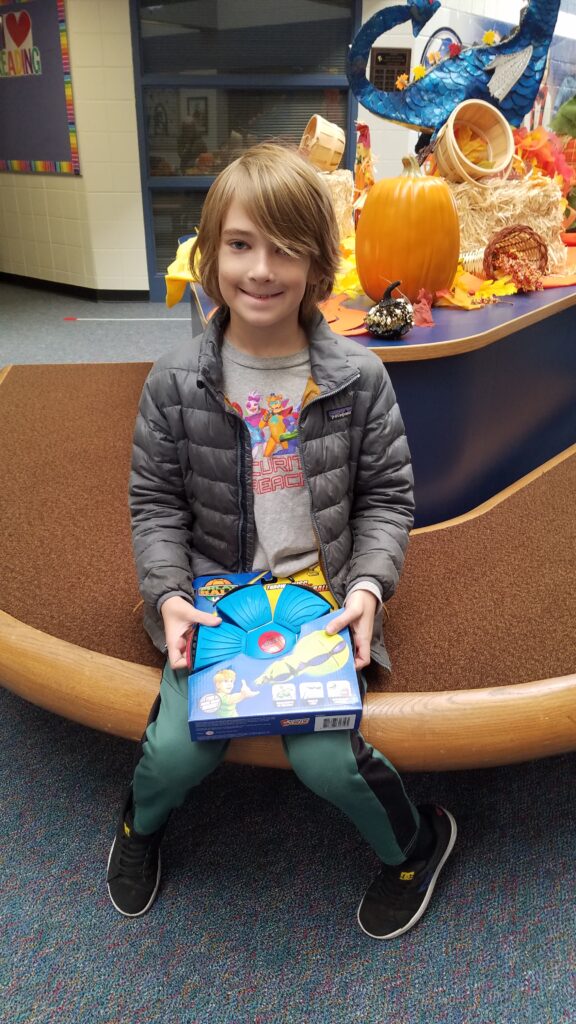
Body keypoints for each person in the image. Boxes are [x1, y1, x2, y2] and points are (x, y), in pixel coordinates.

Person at [106, 143, 457, 938]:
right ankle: (137, 828)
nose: (260, 269)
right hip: (216, 598)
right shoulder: (175, 382)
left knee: (326, 759)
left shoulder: (357, 377)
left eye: (285, 247)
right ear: (209, 252)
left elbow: (389, 498)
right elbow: (156, 503)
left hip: (323, 597)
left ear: (318, 260)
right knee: (175, 753)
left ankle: (417, 844)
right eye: (239, 244)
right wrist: (168, 596)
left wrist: (368, 588)